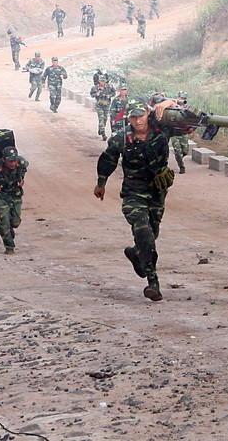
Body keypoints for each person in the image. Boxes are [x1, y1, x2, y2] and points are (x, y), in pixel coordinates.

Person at [94, 97, 178, 301]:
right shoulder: (121, 138)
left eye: (140, 116)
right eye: (133, 117)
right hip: (133, 192)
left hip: (157, 192)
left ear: (147, 113)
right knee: (144, 232)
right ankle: (153, 282)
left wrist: (170, 102)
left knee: (152, 233)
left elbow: (189, 120)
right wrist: (101, 183)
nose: (137, 121)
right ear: (128, 118)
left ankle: (136, 253)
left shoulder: (162, 129)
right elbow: (108, 159)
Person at [170, 91, 190, 174]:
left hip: (184, 133)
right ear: (177, 97)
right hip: (174, 134)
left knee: (185, 151)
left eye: (184, 98)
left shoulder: (187, 108)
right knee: (178, 152)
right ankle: (181, 167)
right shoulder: (172, 106)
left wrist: (191, 130)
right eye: (181, 98)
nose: (183, 100)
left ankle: (179, 158)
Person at [90, 75, 115, 140]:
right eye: (101, 81)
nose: (102, 82)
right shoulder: (95, 87)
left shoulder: (109, 86)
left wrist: (110, 95)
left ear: (105, 81)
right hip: (99, 105)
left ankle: (100, 129)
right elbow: (92, 94)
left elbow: (114, 92)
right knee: (101, 118)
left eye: (103, 81)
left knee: (105, 119)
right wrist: (96, 94)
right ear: (99, 81)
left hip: (107, 105)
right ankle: (103, 134)